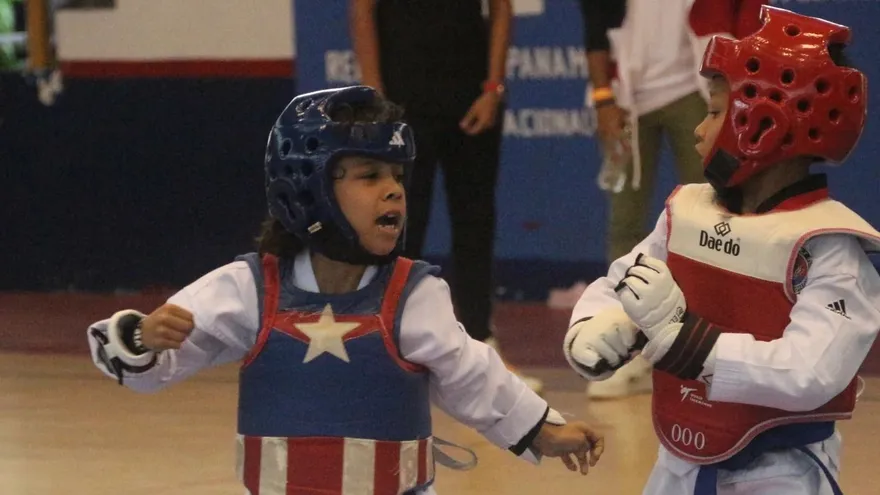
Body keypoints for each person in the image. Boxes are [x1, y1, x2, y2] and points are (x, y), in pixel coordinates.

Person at [86, 86, 604, 495]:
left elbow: (473, 376)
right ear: (307, 187)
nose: (394, 188)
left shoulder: (412, 295)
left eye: (398, 174)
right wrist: (140, 337)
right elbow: (151, 372)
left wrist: (544, 430)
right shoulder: (250, 289)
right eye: (369, 174)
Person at [563, 6, 879, 494]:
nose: (698, 129)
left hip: (781, 473)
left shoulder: (827, 247)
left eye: (714, 111)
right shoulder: (689, 212)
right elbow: (624, 279)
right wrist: (599, 325)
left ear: (764, 126)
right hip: (677, 468)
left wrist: (686, 341)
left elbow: (811, 371)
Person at [347, 0, 545, 393]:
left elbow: (501, 8)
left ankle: (480, 345)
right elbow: (363, 9)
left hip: (472, 97)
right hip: (402, 101)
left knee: (475, 221)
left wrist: (493, 87)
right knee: (399, 225)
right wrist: (374, 93)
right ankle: (387, 343)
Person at [575, 0, 767, 399]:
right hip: (628, 95)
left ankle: (715, 346)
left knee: (715, 218)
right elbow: (596, 22)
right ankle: (624, 353)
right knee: (624, 221)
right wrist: (603, 97)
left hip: (698, 87)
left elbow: (748, 11)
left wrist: (739, 78)